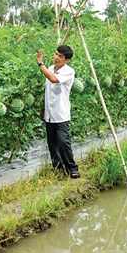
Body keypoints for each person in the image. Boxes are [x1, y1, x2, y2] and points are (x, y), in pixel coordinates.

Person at [37, 45, 80, 179]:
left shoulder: (69, 71)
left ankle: (73, 168)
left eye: (60, 56)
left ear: (67, 60)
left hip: (61, 114)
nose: (56, 57)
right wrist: (43, 110)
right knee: (52, 143)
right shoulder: (50, 68)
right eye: (56, 54)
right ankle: (58, 168)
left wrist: (40, 63)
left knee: (62, 141)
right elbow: (48, 90)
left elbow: (54, 80)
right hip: (50, 113)